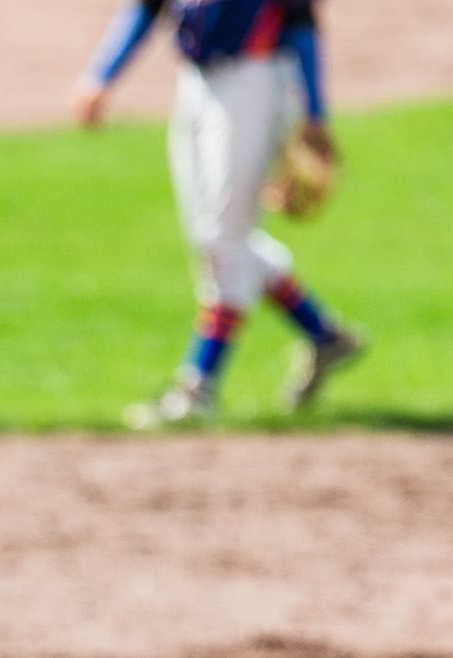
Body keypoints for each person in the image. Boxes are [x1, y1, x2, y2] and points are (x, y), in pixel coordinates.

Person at [72, 0, 364, 426]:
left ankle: (198, 388)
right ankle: (323, 335)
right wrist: (102, 74)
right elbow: (147, 6)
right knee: (214, 237)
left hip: (254, 83)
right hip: (195, 84)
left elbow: (300, 20)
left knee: (222, 240)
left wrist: (315, 116)